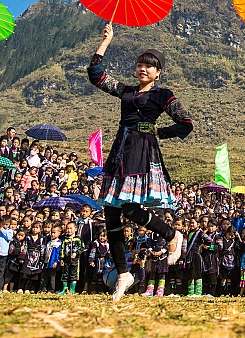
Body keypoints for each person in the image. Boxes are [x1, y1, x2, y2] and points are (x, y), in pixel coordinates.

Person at [87, 23, 193, 301]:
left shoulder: (163, 94)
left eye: (149, 66)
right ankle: (123, 273)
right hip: (120, 148)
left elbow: (186, 124)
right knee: (110, 210)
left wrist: (158, 131)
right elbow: (95, 75)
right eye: (140, 65)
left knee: (129, 207)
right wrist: (105, 43)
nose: (143, 69)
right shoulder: (125, 91)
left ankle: (171, 234)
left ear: (158, 73)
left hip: (141, 150)